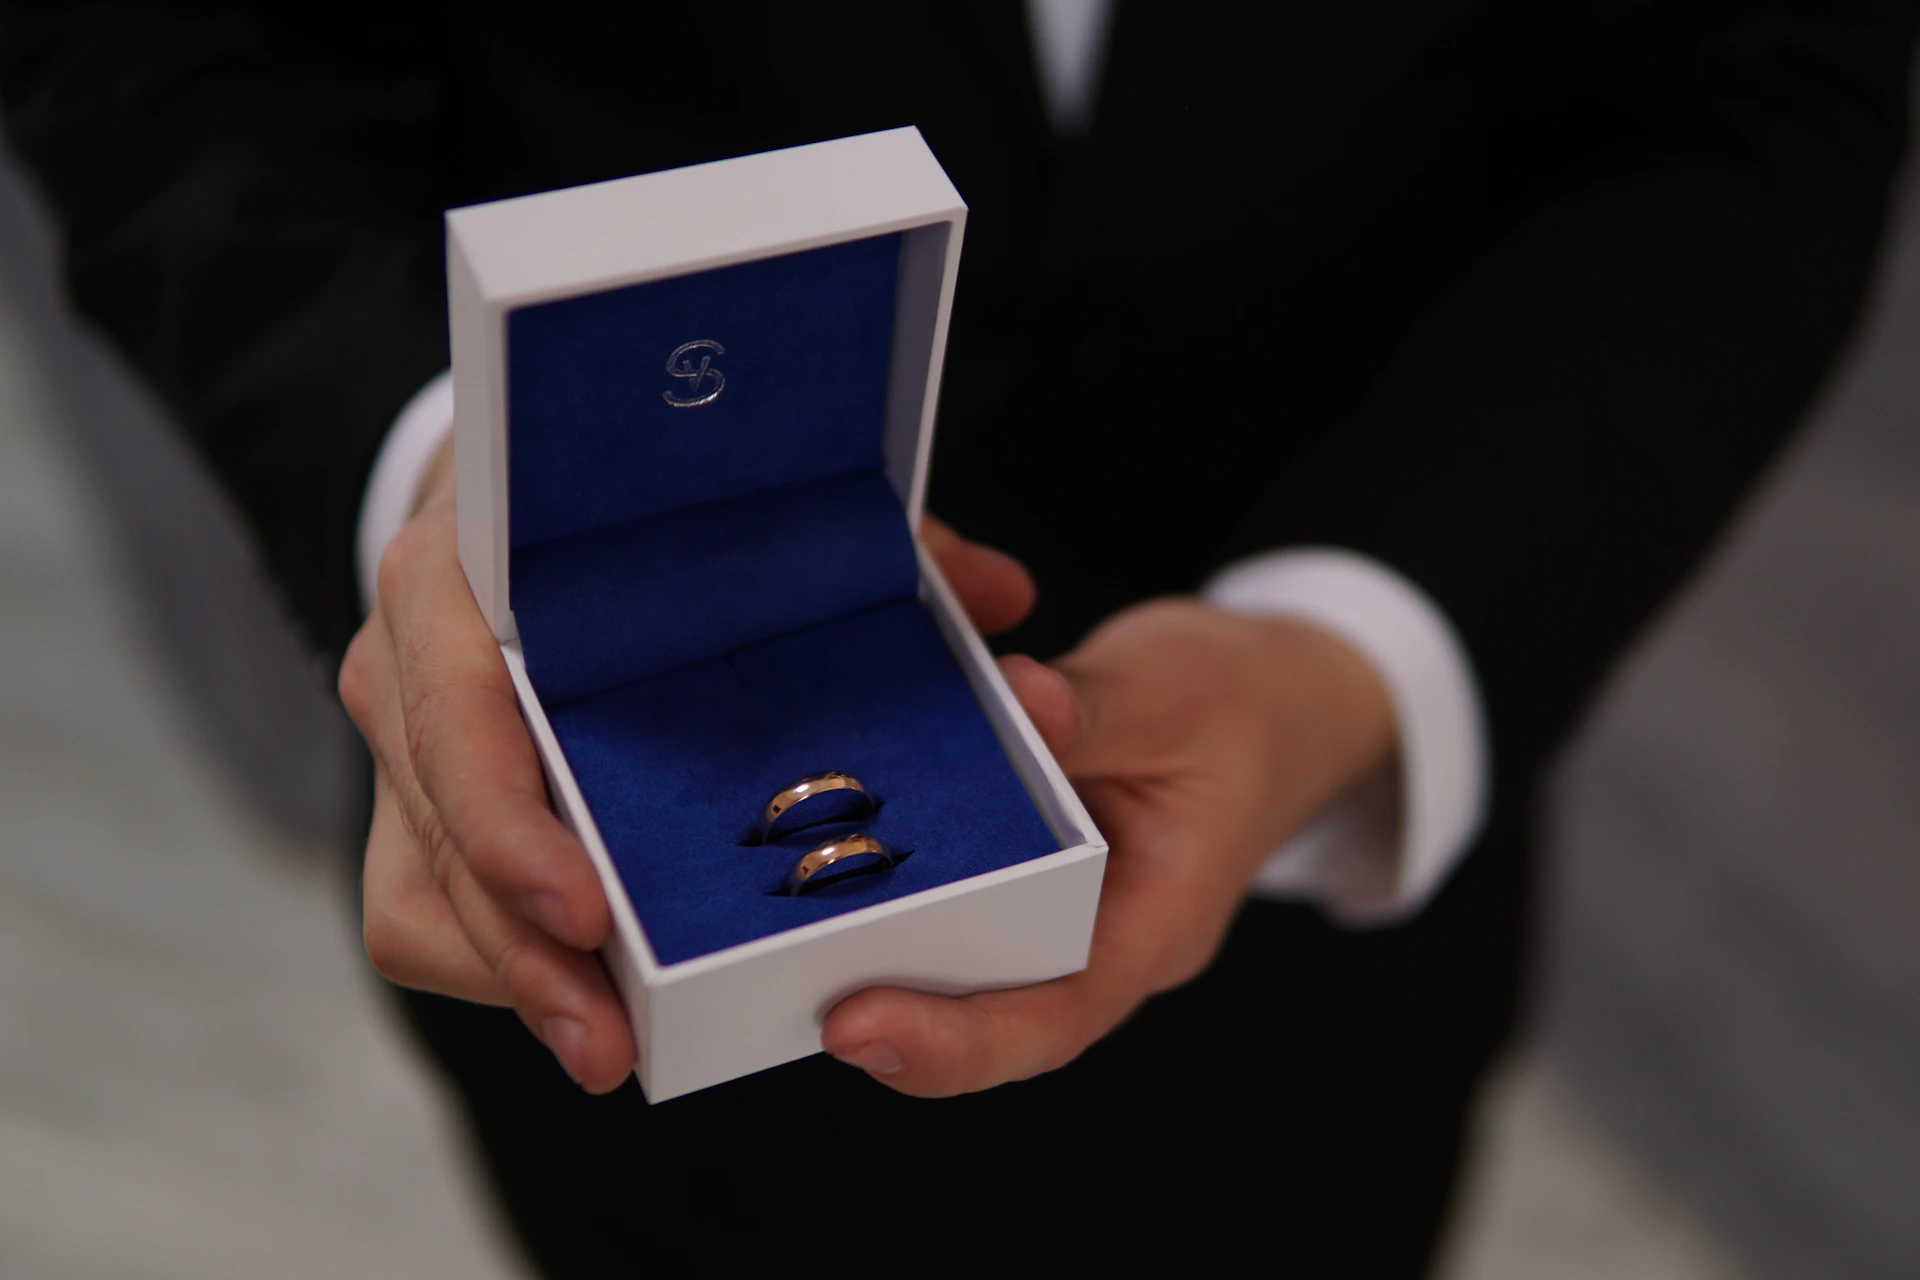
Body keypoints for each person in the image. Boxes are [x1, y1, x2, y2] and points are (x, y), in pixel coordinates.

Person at [3, 2, 1912, 1273]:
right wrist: (467, 486)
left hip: (1322, 989)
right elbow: (162, 55)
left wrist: (1351, 651)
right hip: (622, 934)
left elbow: (1755, 113)